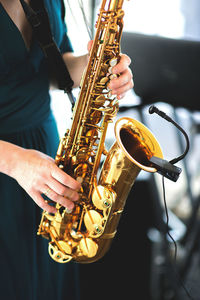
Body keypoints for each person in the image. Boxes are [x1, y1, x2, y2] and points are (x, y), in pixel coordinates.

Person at [0, 0, 133, 299]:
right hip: (10, 162)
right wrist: (15, 162)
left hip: (44, 152)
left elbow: (55, 65)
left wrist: (97, 66)